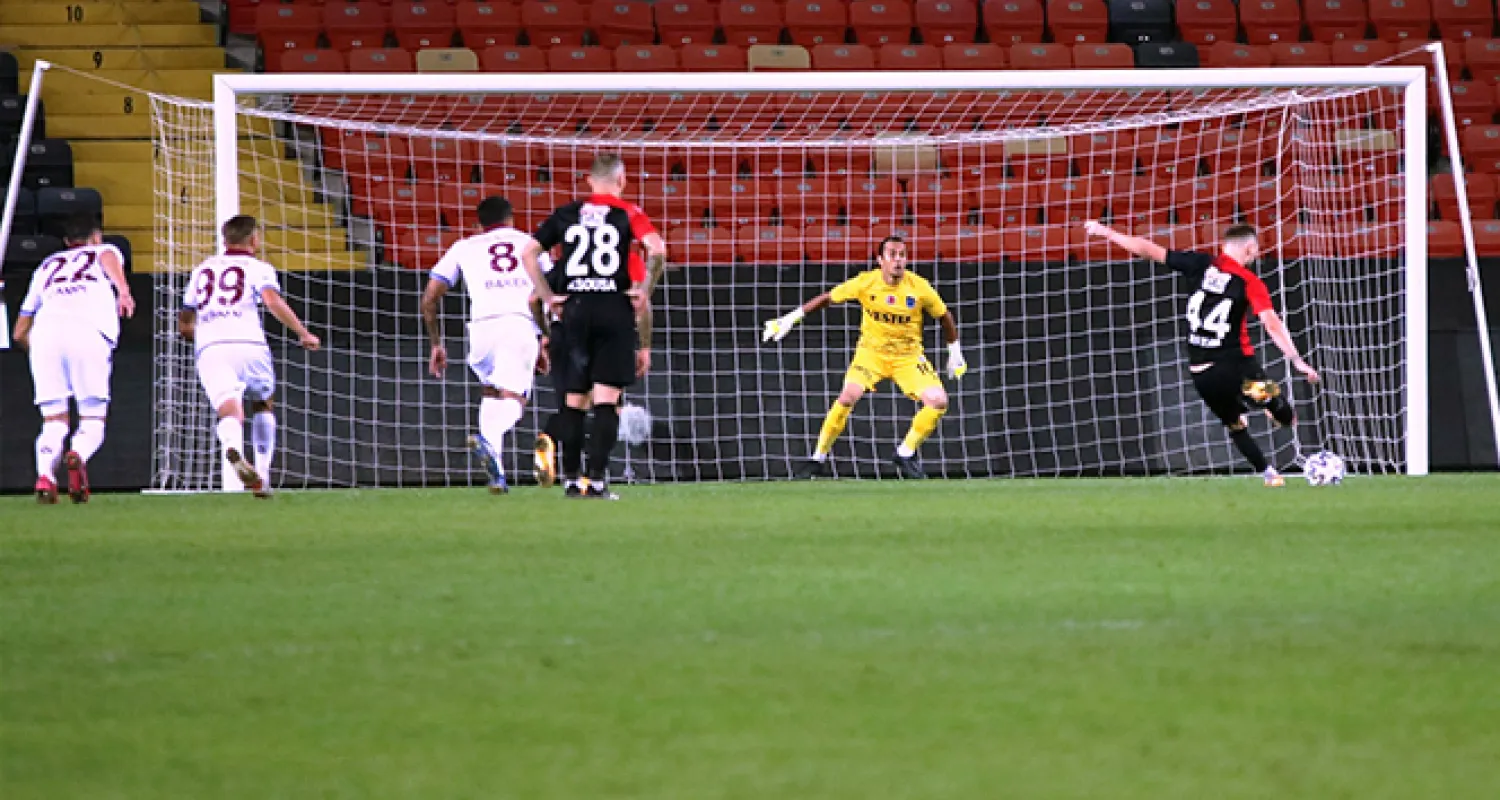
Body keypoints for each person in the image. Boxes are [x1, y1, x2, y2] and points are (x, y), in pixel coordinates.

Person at [1084, 220, 1320, 486]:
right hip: (1240, 369)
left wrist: (1108, 233)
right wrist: (1298, 361)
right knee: (1285, 414)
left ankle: (1269, 474)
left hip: (1202, 375)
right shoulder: (1249, 281)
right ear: (1251, 249)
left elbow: (1147, 250)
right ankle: (1270, 408)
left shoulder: (1200, 265)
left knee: (1235, 424)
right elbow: (1272, 323)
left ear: (1223, 247)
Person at [522, 154, 666, 500]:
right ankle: (597, 482)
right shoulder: (627, 214)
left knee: (573, 402)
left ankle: (572, 482)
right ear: (623, 180)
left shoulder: (567, 215)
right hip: (612, 308)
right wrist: (645, 292)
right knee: (606, 401)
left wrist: (547, 297)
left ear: (588, 181)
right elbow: (658, 250)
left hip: (573, 309)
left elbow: (528, 253)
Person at [763, 235, 966, 479]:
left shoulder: (919, 287)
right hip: (871, 354)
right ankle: (817, 458)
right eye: (892, 254)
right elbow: (828, 298)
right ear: (880, 260)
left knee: (938, 400)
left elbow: (944, 316)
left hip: (908, 357)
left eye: (902, 255)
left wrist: (954, 353)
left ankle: (905, 452)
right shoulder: (865, 283)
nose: (898, 260)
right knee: (848, 395)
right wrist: (789, 319)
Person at [180, 215, 320, 497]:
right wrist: (302, 333)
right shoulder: (259, 268)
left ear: (224, 239)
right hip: (250, 343)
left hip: (212, 347)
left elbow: (185, 323)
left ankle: (232, 446)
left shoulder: (202, 270)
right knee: (263, 404)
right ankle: (263, 476)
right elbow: (271, 301)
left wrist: (205, 339)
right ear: (254, 240)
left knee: (230, 410)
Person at [421, 196, 553, 494]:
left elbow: (429, 298)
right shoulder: (531, 244)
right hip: (518, 324)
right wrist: (545, 337)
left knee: (493, 396)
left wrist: (436, 344)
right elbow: (547, 292)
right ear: (512, 218)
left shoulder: (464, 247)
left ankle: (498, 475)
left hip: (480, 331)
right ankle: (488, 441)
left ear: (478, 224)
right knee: (514, 403)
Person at [12, 214, 135, 503]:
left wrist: (39, 354)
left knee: (53, 419)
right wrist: (124, 291)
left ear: (67, 242)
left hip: (44, 335)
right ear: (95, 236)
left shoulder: (46, 266)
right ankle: (77, 454)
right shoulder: (102, 250)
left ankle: (45, 475)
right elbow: (106, 256)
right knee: (92, 416)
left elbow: (19, 332)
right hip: (87, 332)